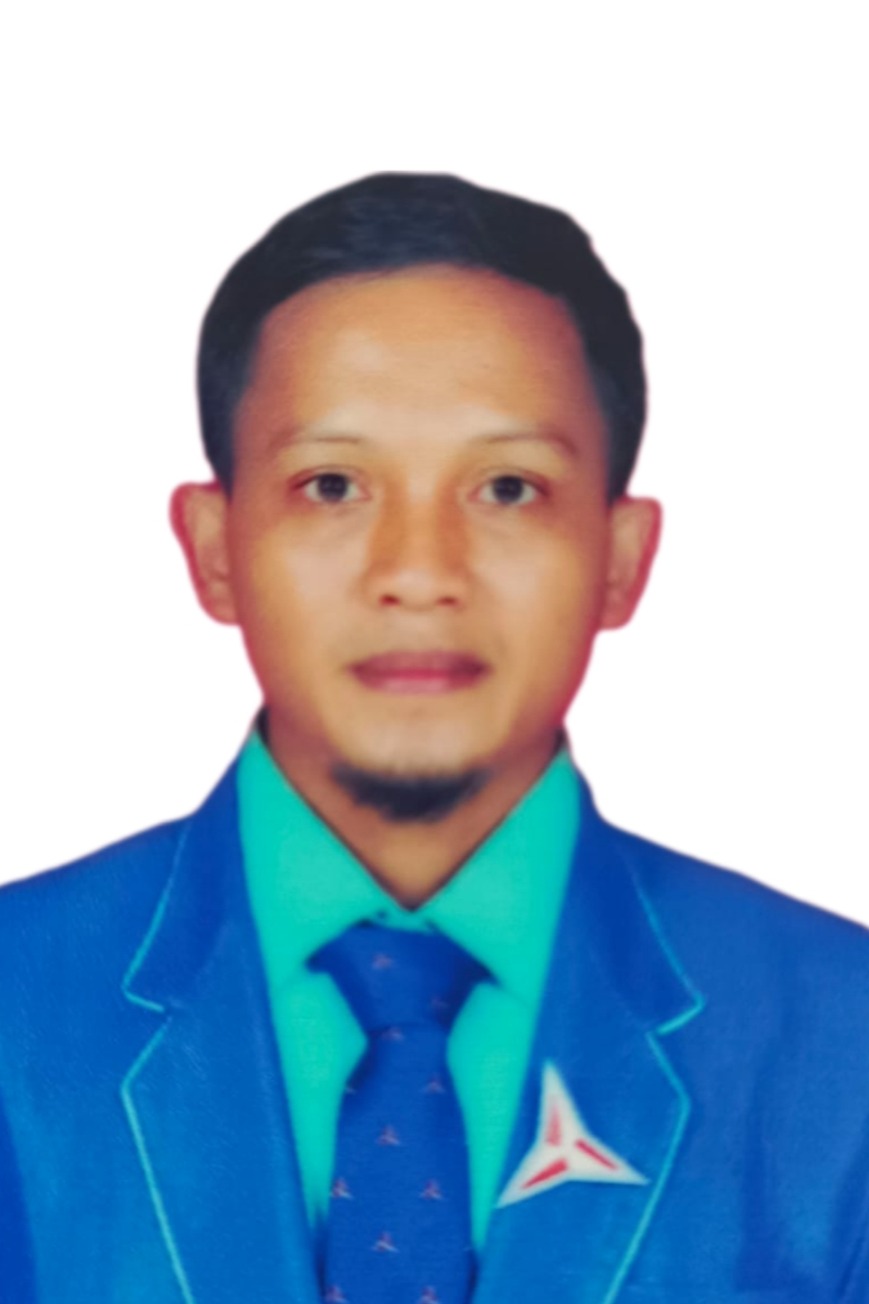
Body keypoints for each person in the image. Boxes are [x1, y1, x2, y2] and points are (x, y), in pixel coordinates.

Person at [1, 172, 867, 1304]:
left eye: (507, 488)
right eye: (331, 485)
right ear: (212, 548)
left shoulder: (839, 1038)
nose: (417, 572)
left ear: (620, 557)